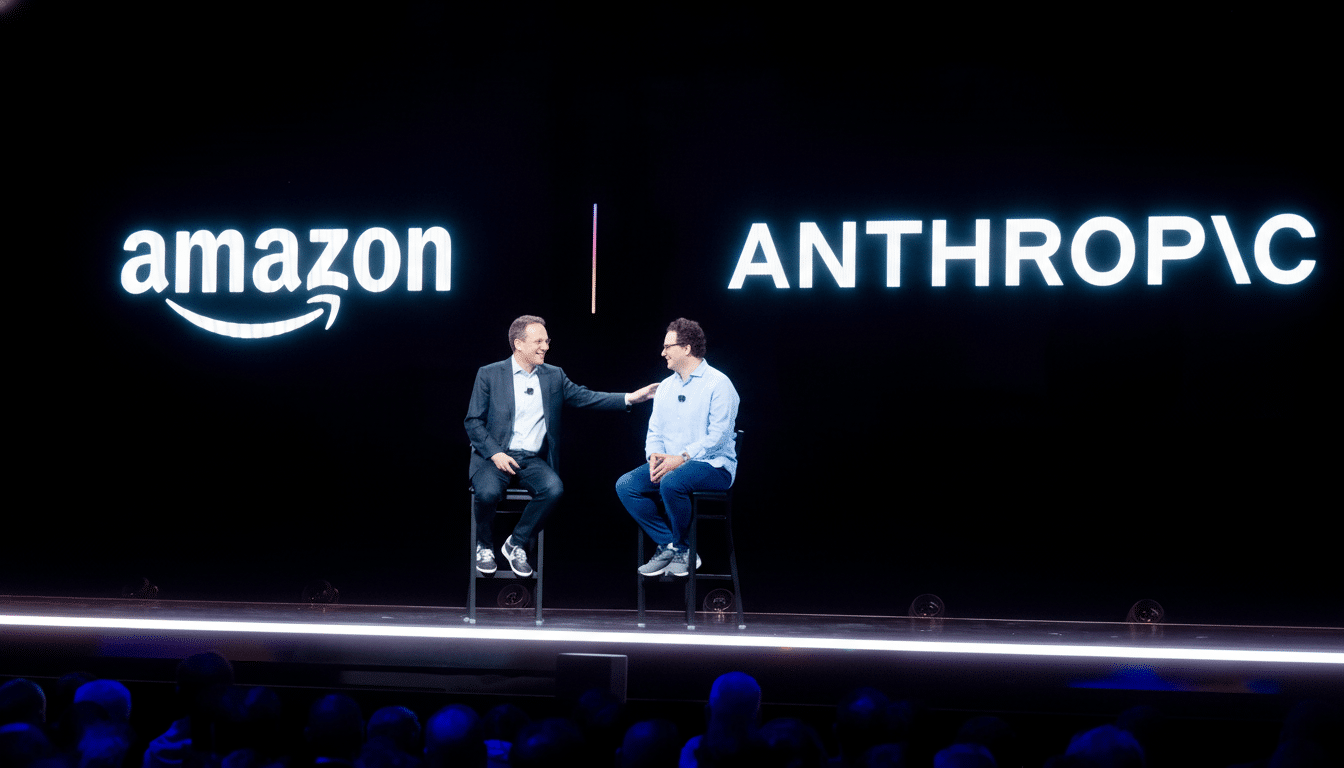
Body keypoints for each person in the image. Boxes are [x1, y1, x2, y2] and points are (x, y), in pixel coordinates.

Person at [466, 315, 658, 577]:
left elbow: (585, 397)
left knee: (553, 488)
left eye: (547, 341)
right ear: (518, 344)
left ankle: (516, 543)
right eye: (538, 341)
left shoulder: (553, 376)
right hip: (493, 456)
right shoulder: (489, 374)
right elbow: (473, 421)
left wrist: (630, 398)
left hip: (530, 459)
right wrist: (495, 453)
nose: (545, 346)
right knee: (487, 493)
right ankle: (484, 546)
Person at [616, 318, 738, 578]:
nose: (663, 353)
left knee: (672, 481)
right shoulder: (665, 388)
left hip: (713, 466)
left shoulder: (719, 384)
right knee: (626, 485)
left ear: (686, 348)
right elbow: (655, 432)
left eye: (667, 346)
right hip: (672, 465)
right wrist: (654, 457)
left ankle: (684, 550)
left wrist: (681, 458)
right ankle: (669, 544)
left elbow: (718, 436)